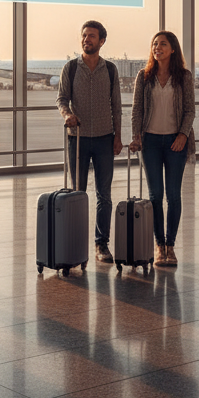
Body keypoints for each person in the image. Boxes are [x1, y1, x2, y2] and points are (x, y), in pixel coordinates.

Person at [56, 20, 123, 263]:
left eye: (92, 36)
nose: (87, 39)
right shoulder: (70, 68)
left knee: (104, 195)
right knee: (78, 193)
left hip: (105, 139)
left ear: (101, 41)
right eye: (84, 35)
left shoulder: (111, 70)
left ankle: (101, 244)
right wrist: (67, 115)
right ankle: (75, 244)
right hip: (78, 139)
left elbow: (116, 105)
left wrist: (118, 136)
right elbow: (62, 99)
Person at [130, 31, 195, 267]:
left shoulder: (184, 77)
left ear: (173, 49)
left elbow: (190, 110)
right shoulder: (144, 76)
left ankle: (171, 245)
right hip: (150, 143)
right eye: (155, 44)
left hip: (176, 142)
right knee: (156, 195)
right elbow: (137, 109)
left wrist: (182, 135)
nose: (158, 47)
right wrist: (136, 136)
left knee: (174, 195)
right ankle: (159, 246)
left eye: (163, 44)